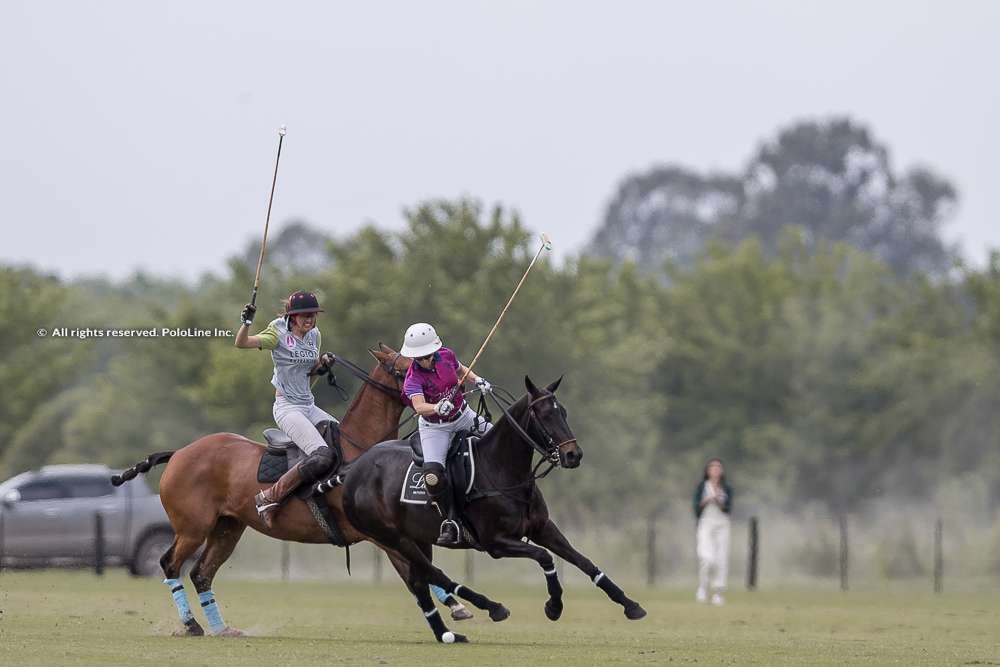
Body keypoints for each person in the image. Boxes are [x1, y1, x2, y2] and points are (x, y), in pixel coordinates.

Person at [235, 290, 339, 528]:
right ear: (292, 316)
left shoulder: (315, 336)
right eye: (304, 315)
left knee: (342, 441)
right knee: (322, 455)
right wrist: (246, 323)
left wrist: (321, 367)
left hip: (308, 405)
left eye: (312, 315)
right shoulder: (277, 334)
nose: (309, 319)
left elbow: (308, 376)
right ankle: (269, 496)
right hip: (287, 408)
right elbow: (241, 343)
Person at [400, 322, 491, 545]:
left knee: (499, 440)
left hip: (464, 416)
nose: (423, 360)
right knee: (432, 475)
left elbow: (461, 370)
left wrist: (477, 380)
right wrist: (436, 407)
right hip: (435, 428)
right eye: (418, 357)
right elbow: (419, 406)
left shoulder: (446, 355)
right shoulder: (412, 378)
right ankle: (450, 520)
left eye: (426, 355)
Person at [693, 457, 733, 605]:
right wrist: (707, 499)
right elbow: (696, 508)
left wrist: (718, 499)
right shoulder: (702, 486)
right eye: (713, 467)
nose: (715, 470)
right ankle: (703, 587)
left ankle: (718, 592)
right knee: (706, 558)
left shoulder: (726, 487)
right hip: (706, 523)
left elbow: (728, 508)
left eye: (718, 468)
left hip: (722, 524)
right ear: (708, 471)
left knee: (721, 559)